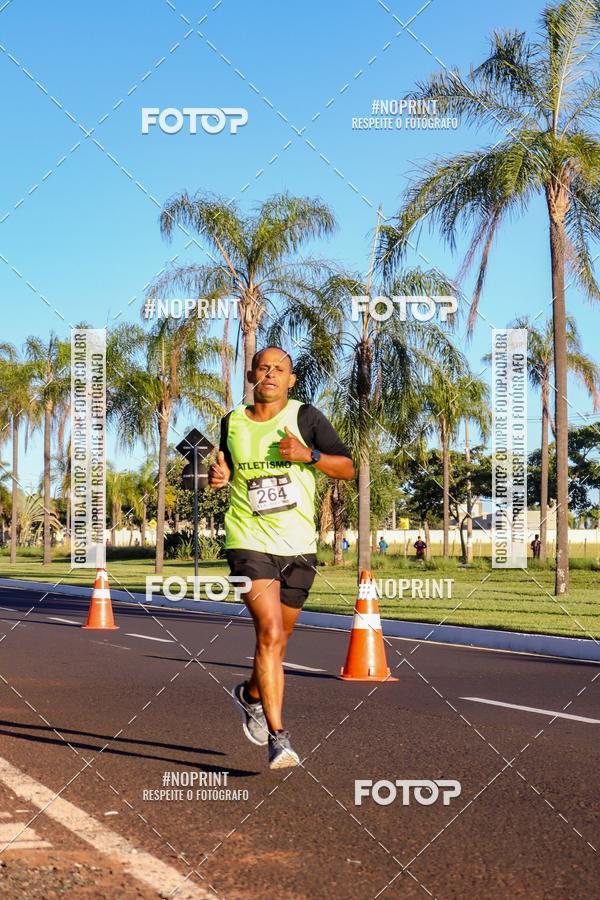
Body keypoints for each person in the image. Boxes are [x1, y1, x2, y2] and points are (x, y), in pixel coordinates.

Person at [209, 347, 355, 769]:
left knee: (280, 641)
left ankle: (250, 694)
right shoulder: (232, 422)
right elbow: (225, 470)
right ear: (250, 374)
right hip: (247, 540)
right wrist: (219, 477)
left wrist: (308, 455)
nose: (270, 374)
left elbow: (346, 467)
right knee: (269, 634)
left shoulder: (306, 418)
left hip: (297, 546)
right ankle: (279, 737)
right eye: (263, 368)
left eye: (280, 369)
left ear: (291, 380)